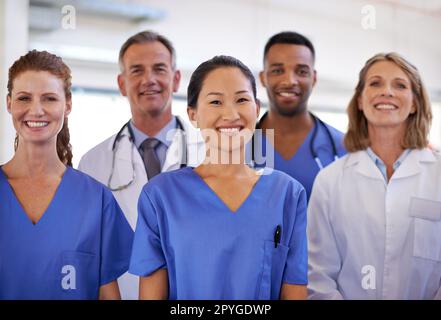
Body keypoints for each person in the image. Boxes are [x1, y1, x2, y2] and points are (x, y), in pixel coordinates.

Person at [129, 55, 308, 300]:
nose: (230, 114)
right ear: (193, 114)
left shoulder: (287, 193)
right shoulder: (160, 196)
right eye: (215, 102)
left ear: (256, 108)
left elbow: (294, 289)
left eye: (242, 99)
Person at [78, 31, 204, 299]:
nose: (149, 80)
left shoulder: (209, 152)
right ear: (122, 84)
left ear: (176, 79)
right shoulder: (93, 163)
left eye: (159, 69)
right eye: (137, 71)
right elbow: (91, 252)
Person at [0, 50, 133, 300]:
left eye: (49, 98)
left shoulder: (97, 201)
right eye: (24, 98)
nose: (36, 110)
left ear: (68, 105)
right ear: (9, 103)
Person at [307, 52, 441, 299]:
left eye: (400, 85)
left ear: (414, 103)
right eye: (375, 83)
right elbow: (319, 276)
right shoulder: (329, 181)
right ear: (360, 100)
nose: (387, 92)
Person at [252, 31, 346, 200]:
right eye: (277, 70)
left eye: (301, 72)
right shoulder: (237, 146)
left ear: (314, 78)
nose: (289, 81)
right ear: (263, 78)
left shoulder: (343, 148)